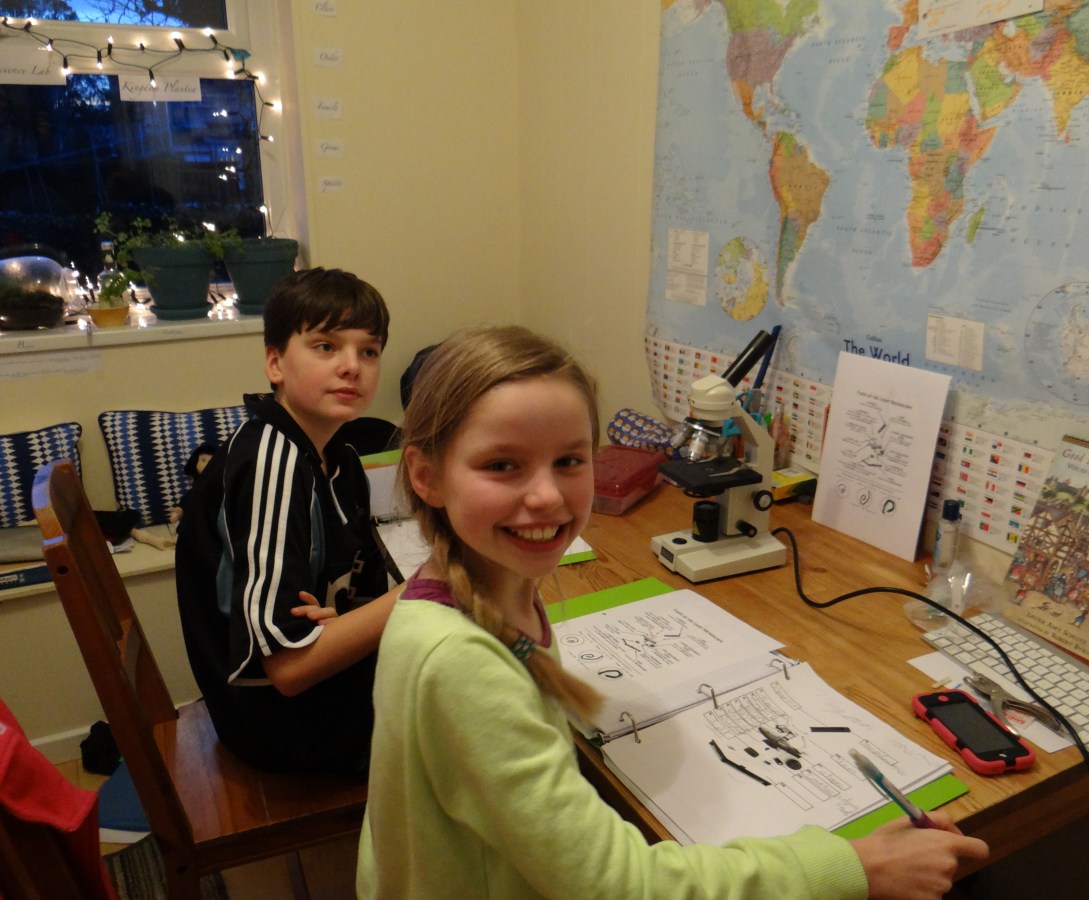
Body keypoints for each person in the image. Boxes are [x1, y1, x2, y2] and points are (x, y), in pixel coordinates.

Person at [358, 325, 989, 899]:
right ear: (426, 476)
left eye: (569, 461)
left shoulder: (486, 584)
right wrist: (857, 867)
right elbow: (618, 886)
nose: (546, 495)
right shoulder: (462, 664)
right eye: (502, 466)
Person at [175, 267, 399, 775]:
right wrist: (425, 589)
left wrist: (341, 622)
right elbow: (290, 668)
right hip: (282, 725)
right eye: (326, 346)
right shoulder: (271, 459)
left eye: (369, 351)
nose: (352, 366)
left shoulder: (339, 457)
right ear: (275, 363)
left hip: (312, 692)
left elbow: (341, 602)